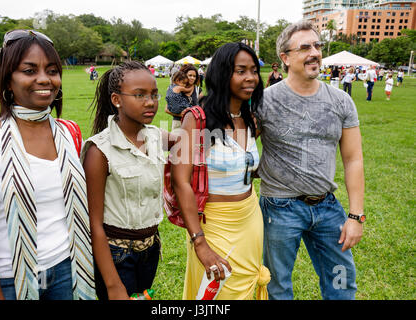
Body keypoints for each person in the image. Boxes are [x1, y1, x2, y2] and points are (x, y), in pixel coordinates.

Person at [0, 29, 95, 300]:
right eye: (29, 70)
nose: (44, 79)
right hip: (7, 281)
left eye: (52, 70)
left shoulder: (67, 133)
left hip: (66, 272)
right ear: (8, 80)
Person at [256, 21, 364, 300]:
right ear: (285, 58)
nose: (315, 52)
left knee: (342, 280)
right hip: (278, 209)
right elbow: (237, 144)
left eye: (317, 45)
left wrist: (355, 215)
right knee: (276, 285)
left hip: (328, 208)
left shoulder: (341, 101)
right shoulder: (263, 102)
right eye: (305, 47)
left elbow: (353, 159)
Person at [172, 42, 270, 300]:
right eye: (241, 71)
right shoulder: (196, 118)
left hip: (250, 217)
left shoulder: (251, 118)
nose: (251, 78)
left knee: (246, 286)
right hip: (213, 223)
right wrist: (199, 242)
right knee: (219, 292)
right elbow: (180, 181)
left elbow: (244, 165)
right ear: (222, 74)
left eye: (253, 70)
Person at [82, 61, 172, 300]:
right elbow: (94, 224)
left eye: (154, 94)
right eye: (139, 95)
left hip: (150, 249)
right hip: (116, 254)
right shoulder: (99, 151)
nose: (151, 102)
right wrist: (113, 285)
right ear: (116, 99)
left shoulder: (154, 136)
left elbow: (193, 140)